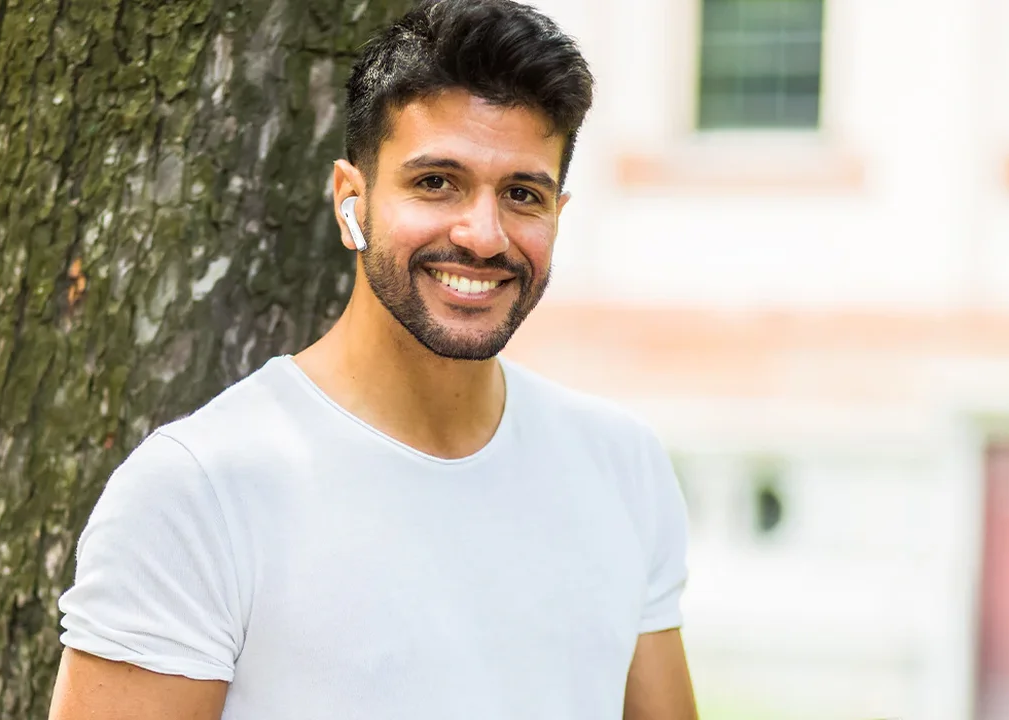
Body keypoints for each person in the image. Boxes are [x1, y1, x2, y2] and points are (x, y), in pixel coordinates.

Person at [47, 0, 697, 718]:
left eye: (521, 194)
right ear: (350, 200)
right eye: (436, 182)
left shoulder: (622, 465)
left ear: (557, 216)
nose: (483, 235)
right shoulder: (198, 494)